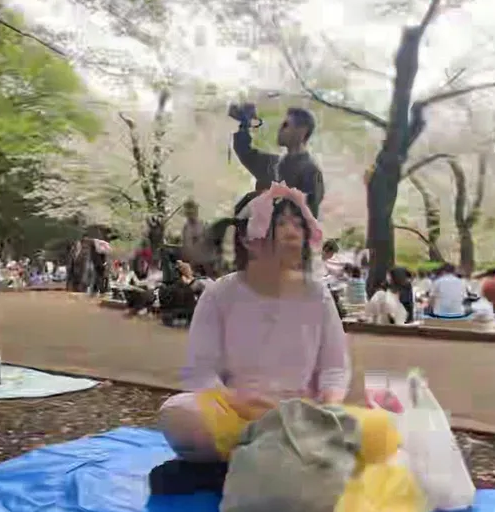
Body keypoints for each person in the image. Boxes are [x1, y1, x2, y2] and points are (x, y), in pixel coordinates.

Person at [149, 182, 349, 493]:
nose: (293, 233)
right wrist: (239, 402)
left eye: (298, 224)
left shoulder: (317, 295)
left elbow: (334, 368)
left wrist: (329, 406)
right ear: (247, 238)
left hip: (299, 417)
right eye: (280, 224)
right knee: (180, 415)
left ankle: (233, 467)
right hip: (237, 414)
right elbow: (200, 372)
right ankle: (269, 463)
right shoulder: (220, 294)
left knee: (380, 431)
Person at [232, 105, 324, 219]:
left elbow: (308, 217)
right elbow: (245, 153)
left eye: (286, 125)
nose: (280, 129)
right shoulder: (273, 164)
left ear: (302, 132)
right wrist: (244, 123)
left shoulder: (311, 172)